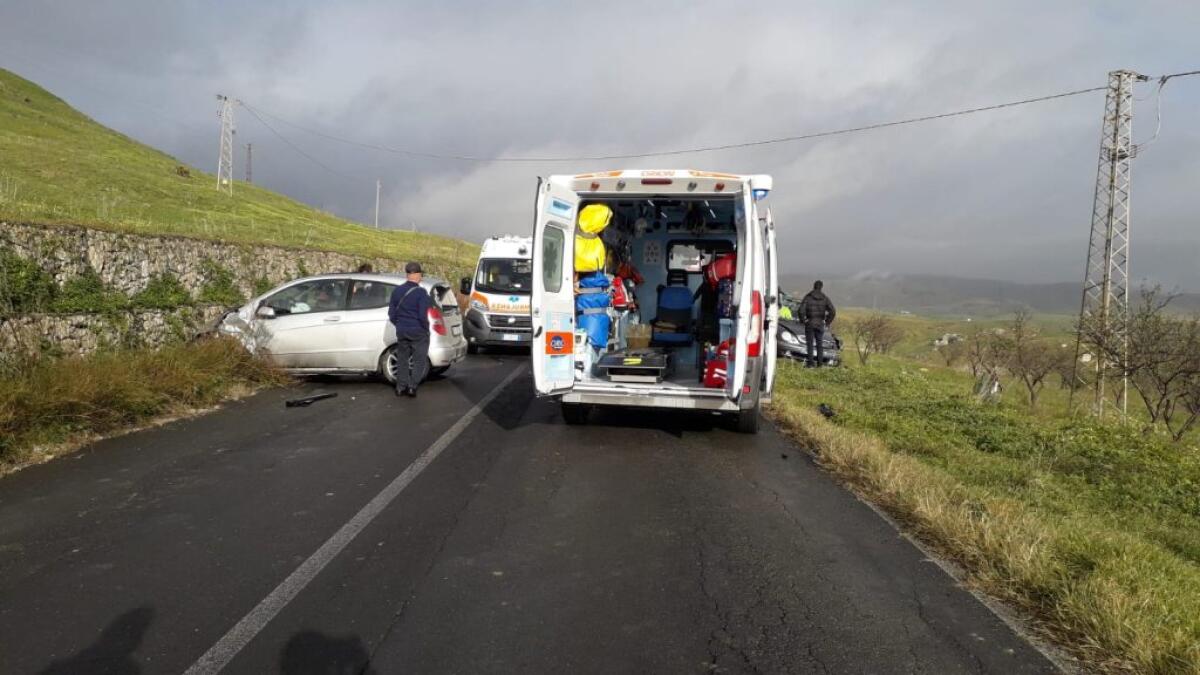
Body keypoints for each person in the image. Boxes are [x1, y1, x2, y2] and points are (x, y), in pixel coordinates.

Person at [388, 262, 431, 397]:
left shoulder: (396, 291)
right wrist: (426, 328)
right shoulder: (421, 293)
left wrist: (399, 325)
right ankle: (412, 387)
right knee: (419, 360)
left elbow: (391, 314)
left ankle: (400, 387)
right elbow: (422, 315)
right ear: (417, 275)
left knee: (402, 359)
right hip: (418, 331)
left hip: (402, 330)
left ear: (408, 274)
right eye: (420, 274)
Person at [798, 280, 836, 368]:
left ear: (814, 286)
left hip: (810, 323)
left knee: (810, 344)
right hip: (820, 324)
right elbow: (833, 311)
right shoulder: (825, 298)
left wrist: (803, 320)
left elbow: (800, 310)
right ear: (821, 287)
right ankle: (820, 364)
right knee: (819, 344)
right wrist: (827, 322)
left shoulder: (808, 297)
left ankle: (810, 364)